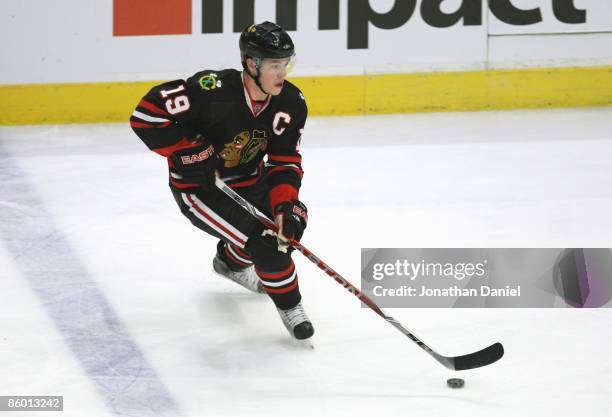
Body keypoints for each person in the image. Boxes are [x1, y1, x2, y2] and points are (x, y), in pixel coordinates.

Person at [130, 21, 313, 340]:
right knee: (267, 248)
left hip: (250, 181)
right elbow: (146, 116)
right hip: (201, 191)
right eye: (274, 65)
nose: (282, 73)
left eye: (286, 64)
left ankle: (230, 262)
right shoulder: (211, 89)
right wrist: (188, 151)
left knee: (289, 227)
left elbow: (285, 161)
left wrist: (285, 205)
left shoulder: (291, 103)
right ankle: (290, 305)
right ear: (251, 63)